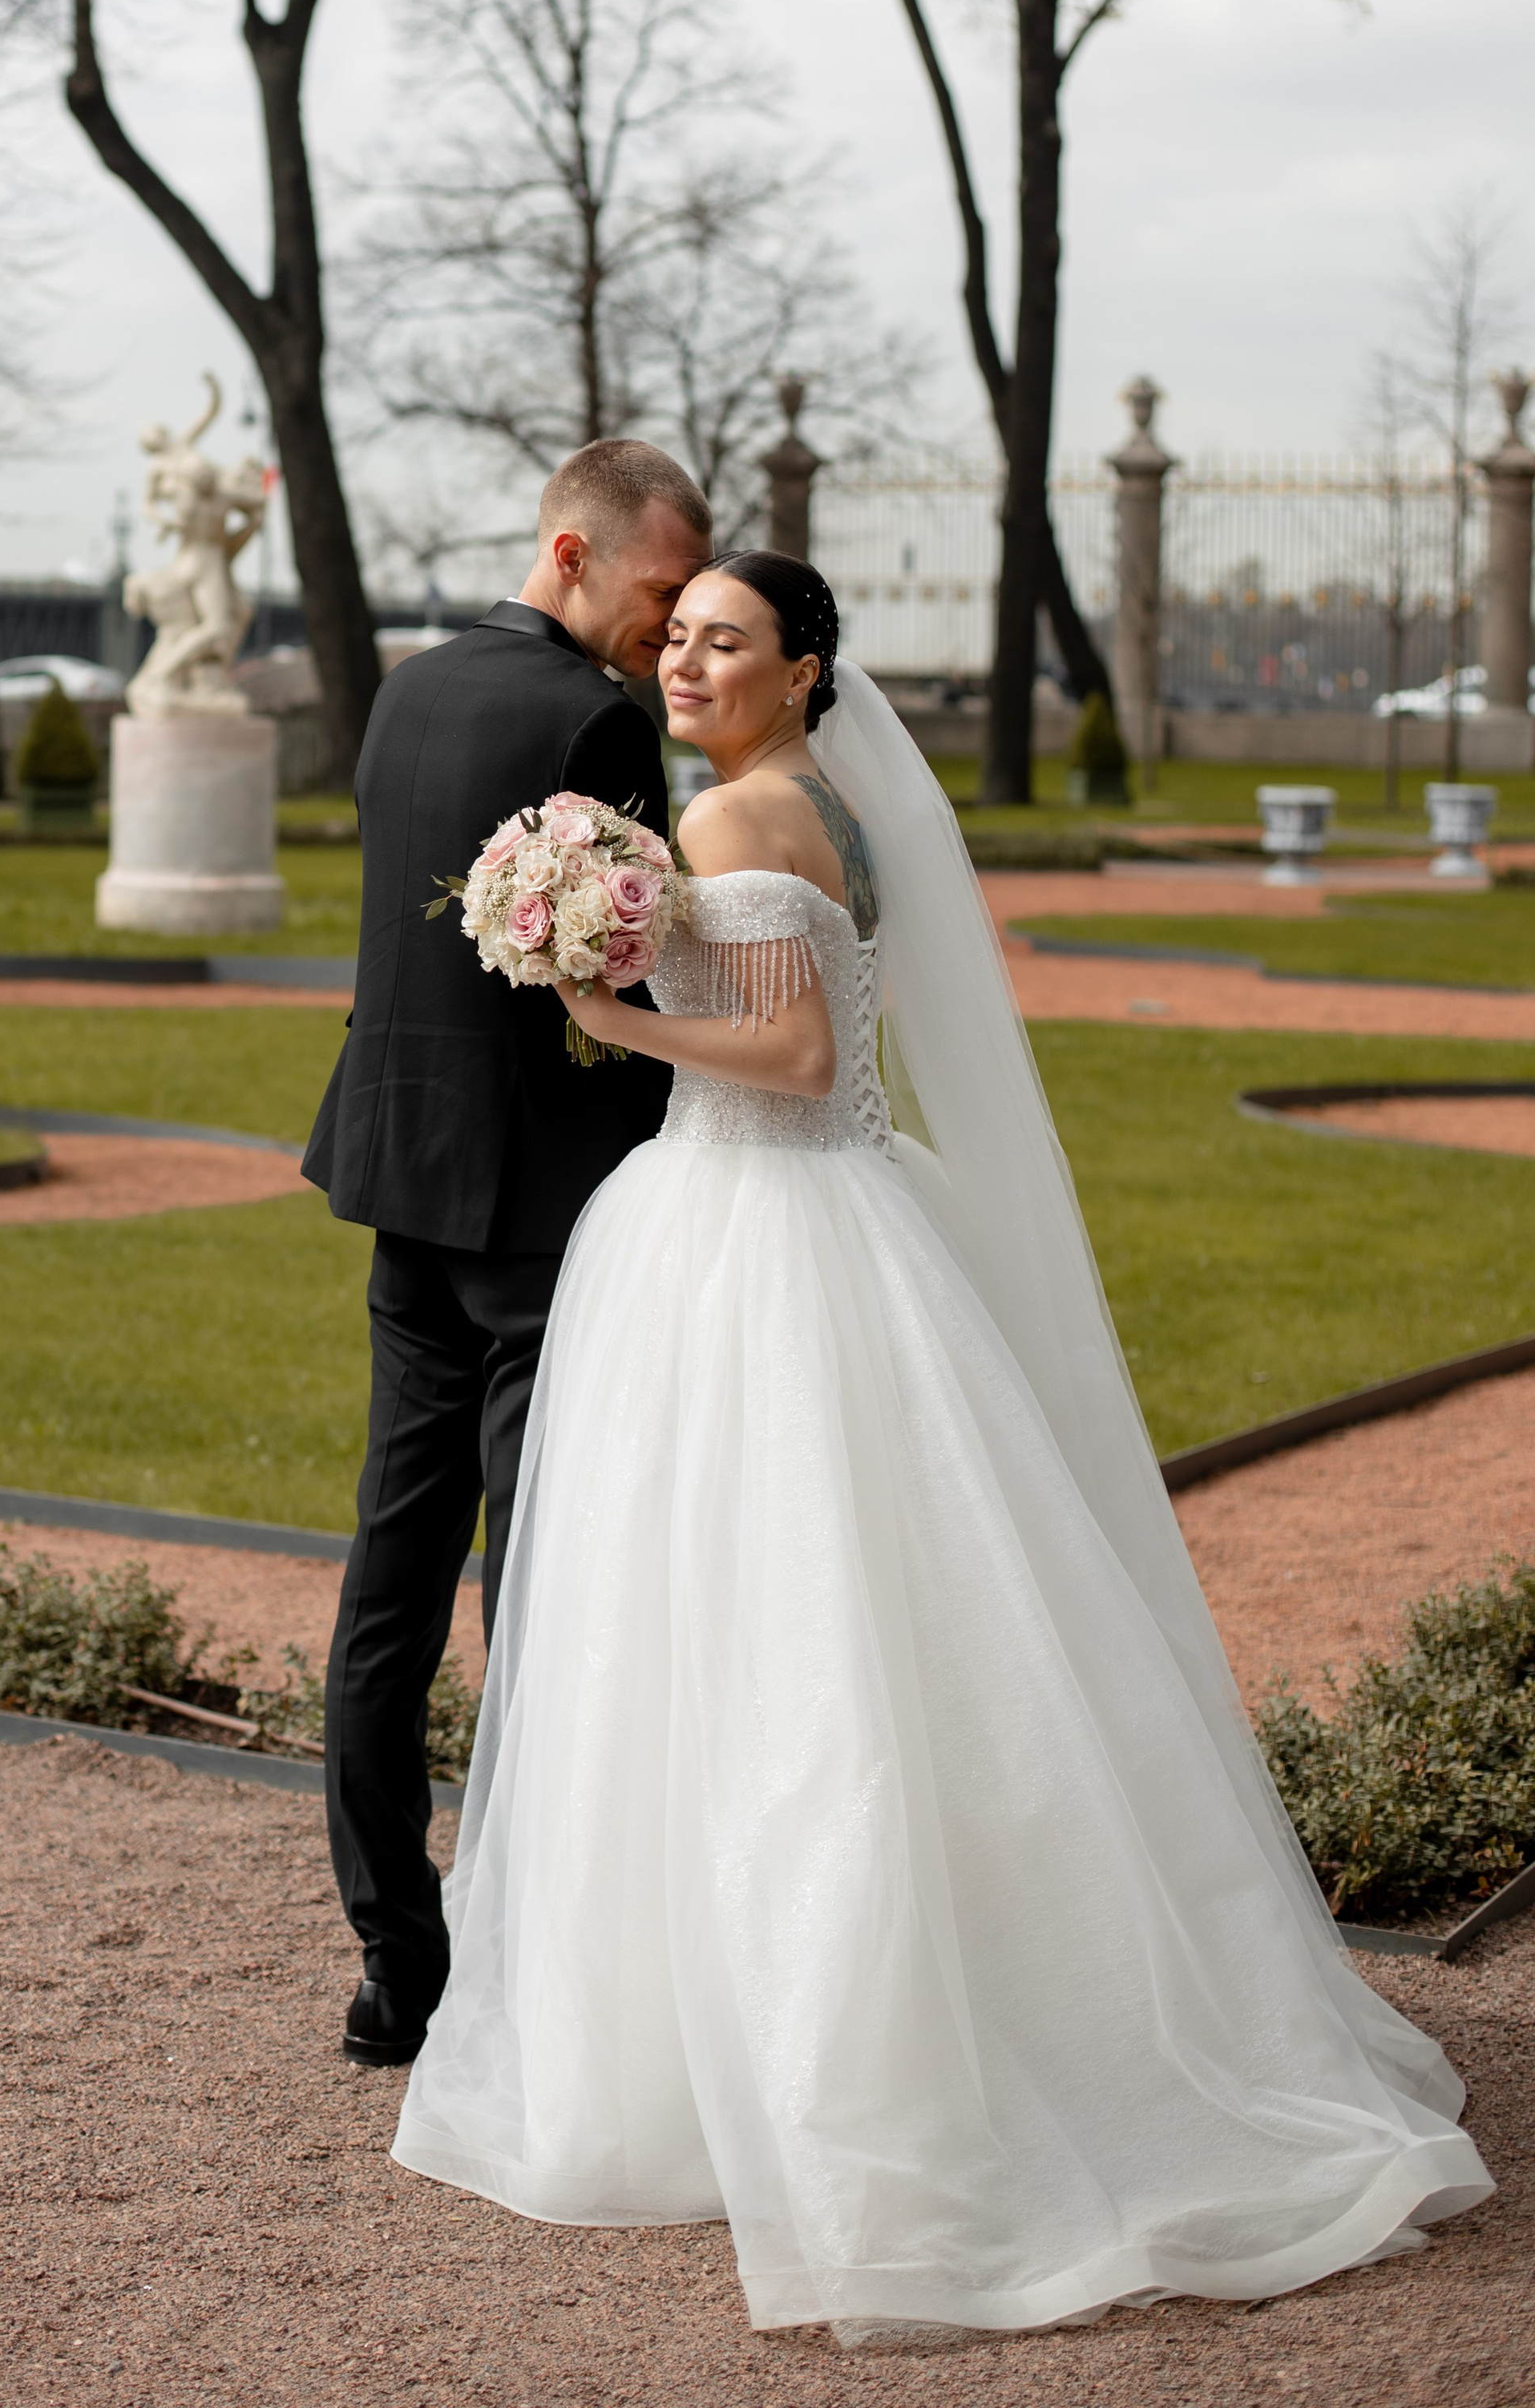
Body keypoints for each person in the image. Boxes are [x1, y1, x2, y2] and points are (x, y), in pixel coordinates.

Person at [392, 553, 1493, 2343]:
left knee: (755, 1641)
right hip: (813, 1229)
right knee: (863, 1631)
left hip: (754, 1235)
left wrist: (606, 1007)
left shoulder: (749, 814)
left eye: (722, 640)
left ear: (802, 670)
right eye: (673, 636)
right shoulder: (803, 798)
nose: (682, 659)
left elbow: (797, 1047)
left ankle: (786, 2055)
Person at [302, 440, 715, 2069]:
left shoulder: (403, 690)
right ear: (570, 552)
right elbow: (616, 972)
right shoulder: (593, 724)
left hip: (402, 1180)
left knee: (388, 1587)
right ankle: (536, 1980)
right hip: (544, 1210)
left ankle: (395, 1965)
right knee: (540, 1591)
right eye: (657, 592)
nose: (668, 631)